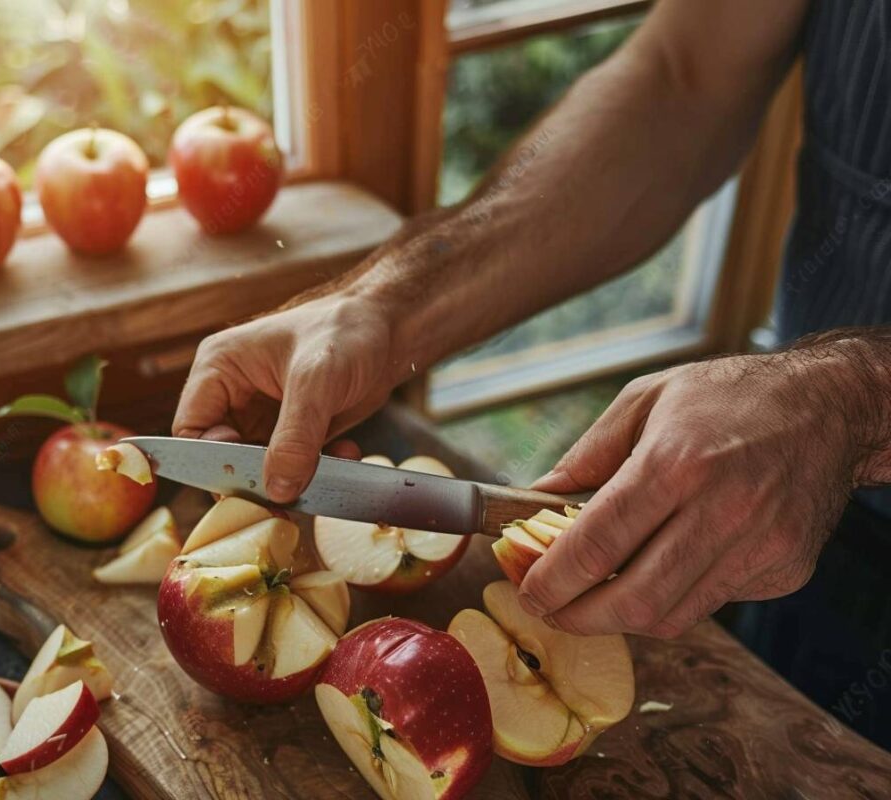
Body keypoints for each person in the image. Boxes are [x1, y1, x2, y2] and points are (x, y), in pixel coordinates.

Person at [173, 0, 891, 746]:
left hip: (803, 450)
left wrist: (852, 403)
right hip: (790, 509)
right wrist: (384, 306)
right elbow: (682, 80)